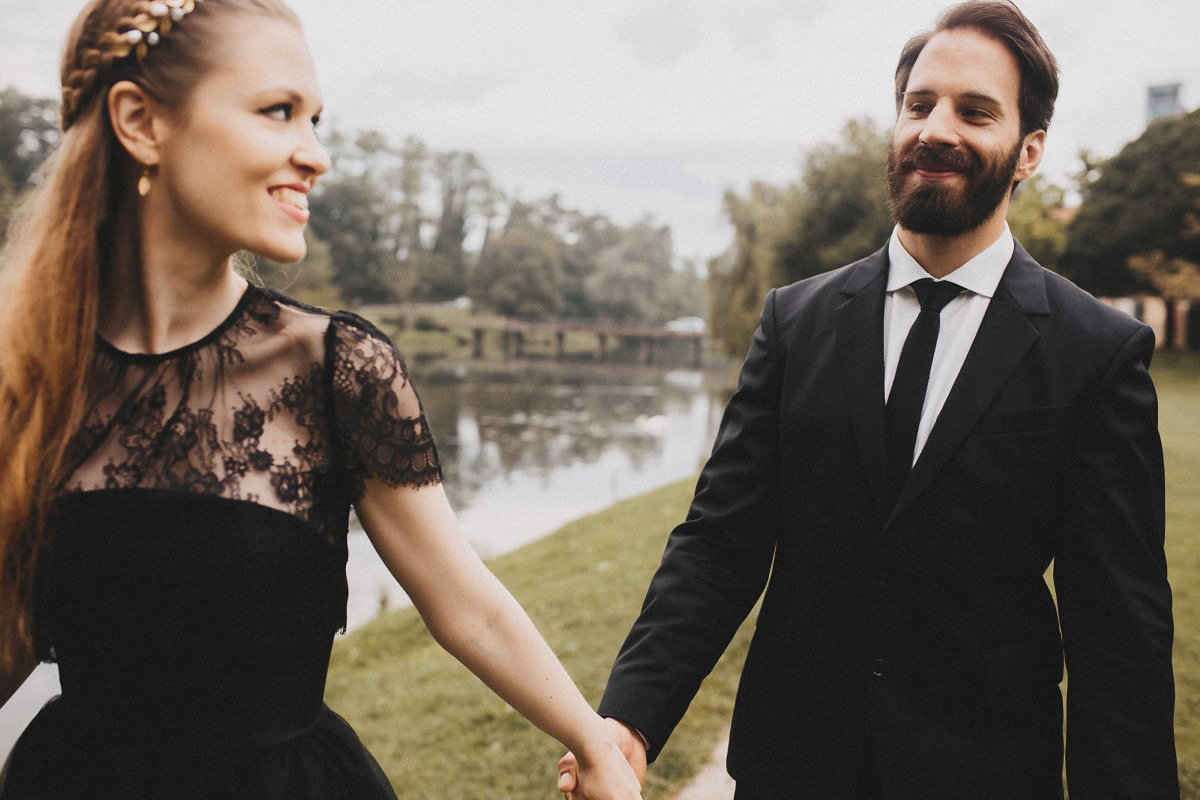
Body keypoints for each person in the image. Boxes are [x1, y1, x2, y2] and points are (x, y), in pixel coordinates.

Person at [0, 2, 644, 798]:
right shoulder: (28, 380)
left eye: (316, 119)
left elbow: (465, 605)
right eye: (279, 113)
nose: (317, 156)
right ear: (141, 122)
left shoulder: (340, 369)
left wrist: (595, 744)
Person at [559, 1, 1178, 797]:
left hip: (982, 773)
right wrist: (631, 721)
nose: (936, 128)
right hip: (794, 767)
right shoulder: (797, 320)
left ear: (1028, 152)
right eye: (918, 106)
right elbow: (720, 541)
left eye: (975, 110)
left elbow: (1118, 631)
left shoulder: (1095, 353)